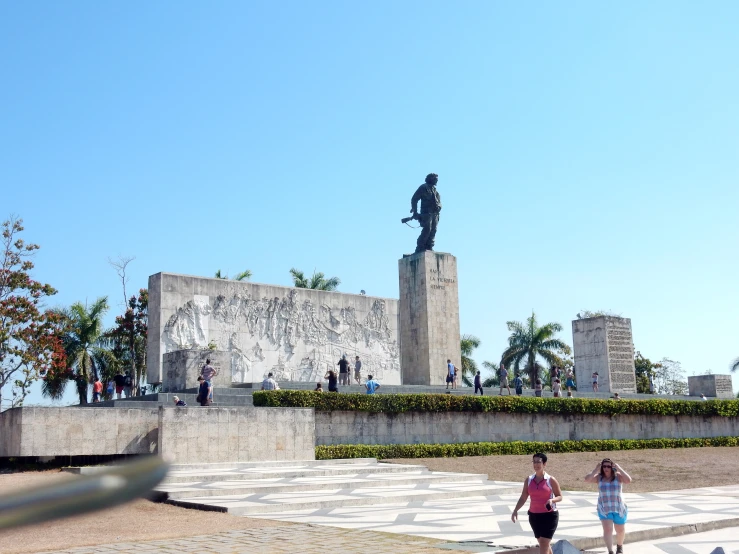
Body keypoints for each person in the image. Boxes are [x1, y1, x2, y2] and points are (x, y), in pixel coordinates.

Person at [511, 453, 563, 554]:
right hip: (534, 516)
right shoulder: (529, 480)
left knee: (544, 543)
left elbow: (559, 496)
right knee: (544, 543)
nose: (536, 464)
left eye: (538, 462)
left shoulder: (551, 480)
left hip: (549, 515)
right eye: (534, 462)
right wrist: (515, 510)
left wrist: (552, 500)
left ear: (544, 464)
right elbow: (523, 497)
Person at [584, 458, 632, 554]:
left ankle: (619, 546)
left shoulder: (618, 477)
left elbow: (628, 480)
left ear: (612, 467)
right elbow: (587, 479)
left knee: (620, 530)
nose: (606, 468)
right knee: (607, 529)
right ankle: (610, 551)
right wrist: (596, 469)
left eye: (608, 466)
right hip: (604, 508)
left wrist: (619, 468)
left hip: (618, 507)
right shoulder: (599, 477)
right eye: (604, 466)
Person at [409, 173, 442, 253]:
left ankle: (429, 246)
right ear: (430, 179)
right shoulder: (423, 187)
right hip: (426, 214)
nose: (436, 180)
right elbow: (414, 199)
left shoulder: (435, 191)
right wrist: (415, 212)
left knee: (433, 230)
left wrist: (439, 207)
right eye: (435, 178)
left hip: (435, 214)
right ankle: (420, 247)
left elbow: (439, 202)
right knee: (427, 229)